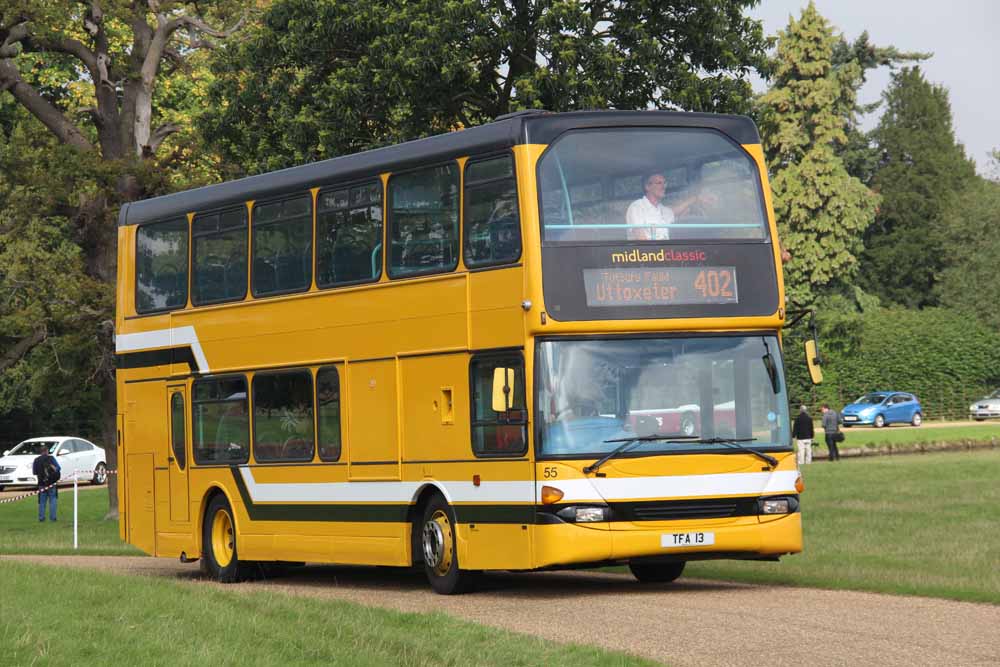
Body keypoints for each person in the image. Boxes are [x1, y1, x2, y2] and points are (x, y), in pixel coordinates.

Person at [625, 172, 714, 240]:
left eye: (665, 183)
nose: (664, 186)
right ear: (647, 187)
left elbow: (677, 209)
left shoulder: (663, 210)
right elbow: (641, 239)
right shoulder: (637, 207)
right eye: (659, 183)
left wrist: (696, 198)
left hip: (667, 254)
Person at [32, 445, 61, 522]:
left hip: (41, 483)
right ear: (47, 451)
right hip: (51, 482)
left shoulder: (36, 460)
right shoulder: (51, 458)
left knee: (42, 501)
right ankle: (53, 518)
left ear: (40, 452)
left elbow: (34, 472)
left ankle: (41, 518)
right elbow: (58, 468)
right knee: (53, 500)